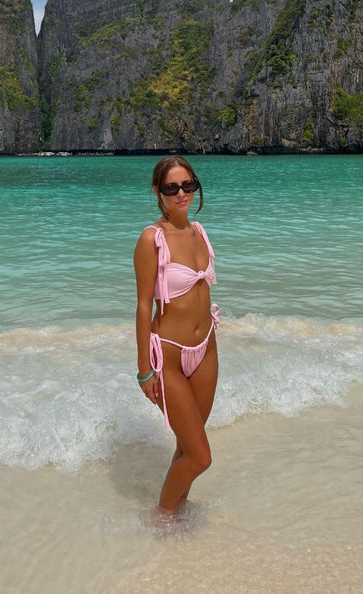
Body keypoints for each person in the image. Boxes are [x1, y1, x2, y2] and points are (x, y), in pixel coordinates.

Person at [134, 155, 219, 519]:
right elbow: (143, 307)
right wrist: (144, 371)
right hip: (168, 356)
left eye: (188, 185)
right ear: (157, 191)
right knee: (201, 457)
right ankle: (161, 516)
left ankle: (178, 512)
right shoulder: (151, 240)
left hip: (206, 349)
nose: (181, 193)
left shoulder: (199, 232)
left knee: (187, 446)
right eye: (171, 188)